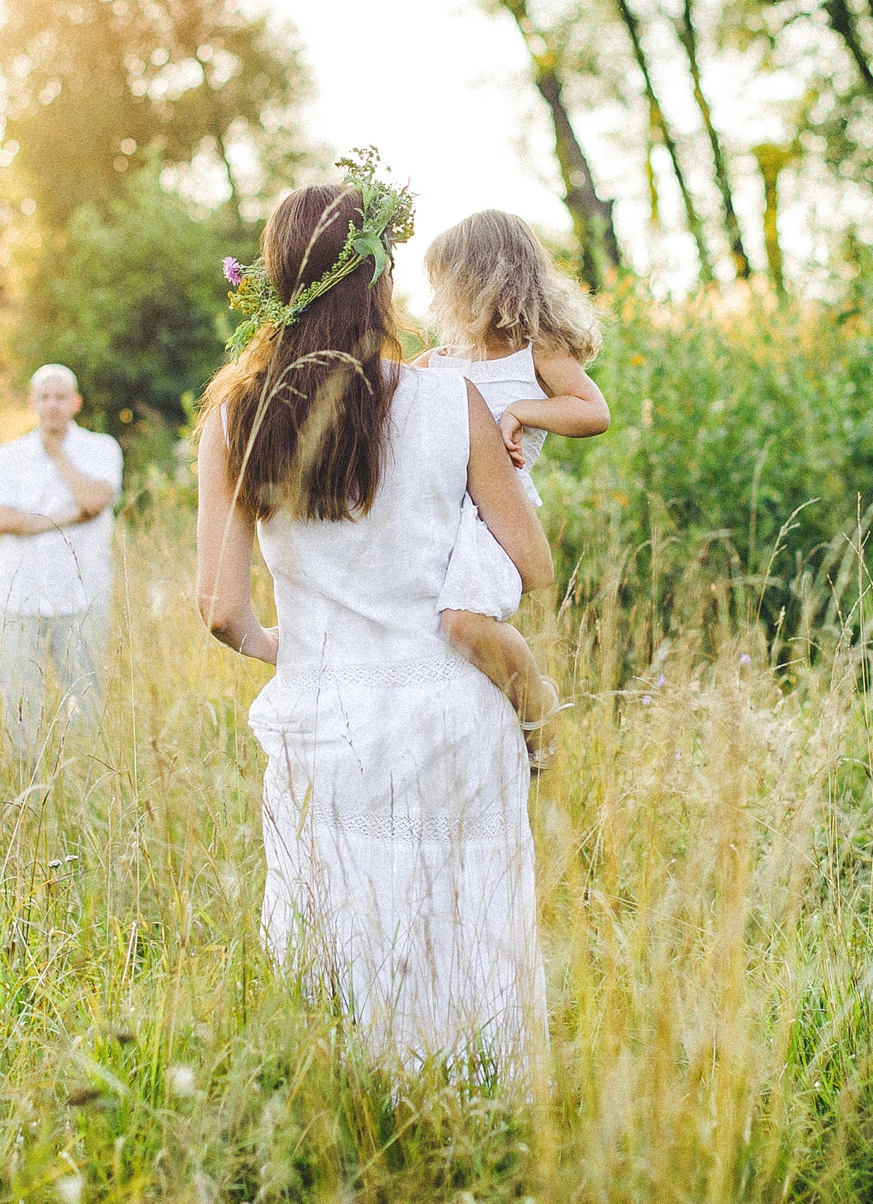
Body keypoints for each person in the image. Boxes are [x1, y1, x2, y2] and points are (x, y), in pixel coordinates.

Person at [195, 151, 556, 1070]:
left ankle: (363, 1130)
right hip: (451, 717)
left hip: (326, 723)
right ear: (380, 281)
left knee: (340, 952)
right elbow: (533, 564)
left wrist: (302, 653)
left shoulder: (237, 417)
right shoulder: (452, 399)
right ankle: (482, 1129)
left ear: (278, 280)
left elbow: (221, 610)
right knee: (473, 946)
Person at [416, 209, 610, 757]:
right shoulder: (437, 362)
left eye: (445, 286)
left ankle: (536, 707)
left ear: (481, 280)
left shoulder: (537, 352)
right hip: (439, 514)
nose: (438, 302)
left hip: (496, 520)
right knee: (428, 631)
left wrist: (525, 409)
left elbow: (593, 412)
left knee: (461, 621)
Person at [0, 363, 122, 762]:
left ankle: (83, 775)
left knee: (85, 693)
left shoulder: (101, 448)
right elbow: (1, 519)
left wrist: (58, 455)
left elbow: (94, 500)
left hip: (83, 594)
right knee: (20, 694)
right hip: (19, 597)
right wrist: (65, 517)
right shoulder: (8, 456)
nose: (53, 405)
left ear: (76, 402)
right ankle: (26, 780)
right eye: (44, 397)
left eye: (61, 397)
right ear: (32, 402)